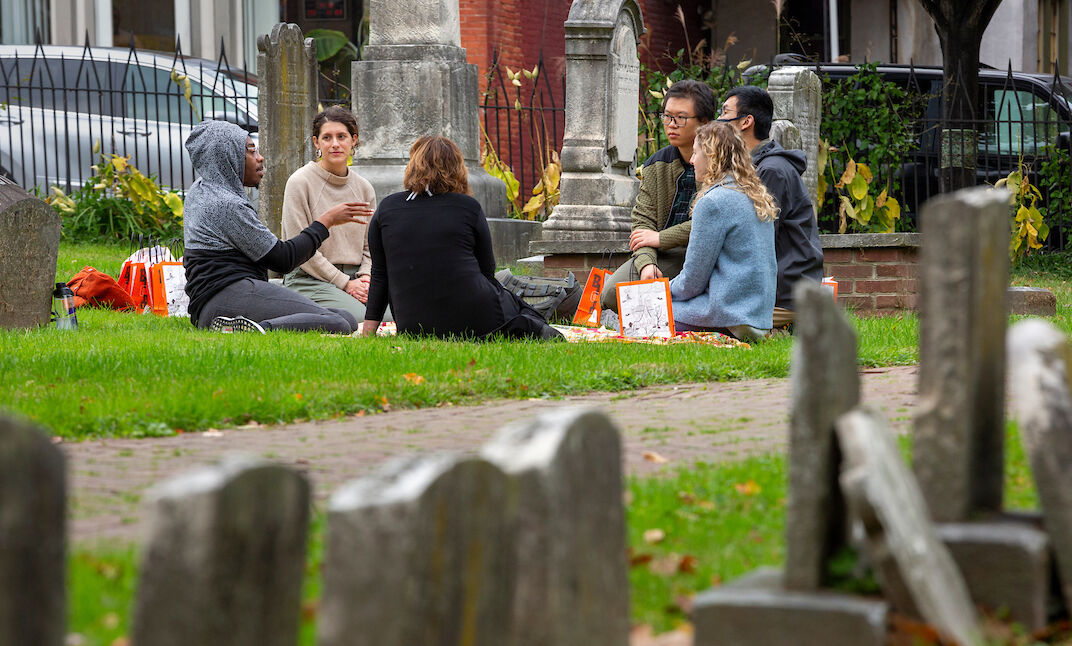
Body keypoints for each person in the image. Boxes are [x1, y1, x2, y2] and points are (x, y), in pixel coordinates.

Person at [359, 136, 562, 341]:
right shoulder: (467, 207)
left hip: (413, 324)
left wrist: (368, 332)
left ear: (413, 166)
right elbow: (487, 270)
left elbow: (380, 275)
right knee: (517, 305)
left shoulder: (387, 207)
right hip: (476, 317)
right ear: (458, 168)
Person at [182, 119, 365, 333]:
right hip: (227, 296)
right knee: (337, 323)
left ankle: (243, 327)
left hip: (218, 301)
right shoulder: (224, 204)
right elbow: (282, 259)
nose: (259, 158)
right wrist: (326, 222)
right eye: (250, 151)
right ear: (228, 157)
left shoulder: (202, 190)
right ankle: (252, 330)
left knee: (345, 318)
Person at [601, 79, 716, 312]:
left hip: (708, 253)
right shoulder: (657, 164)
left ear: (705, 122)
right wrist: (646, 264)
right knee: (612, 293)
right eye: (666, 116)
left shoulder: (720, 163)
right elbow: (642, 223)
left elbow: (711, 222)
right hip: (666, 255)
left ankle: (684, 311)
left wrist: (661, 238)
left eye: (680, 118)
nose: (671, 124)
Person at [717, 85, 824, 327]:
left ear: (745, 122)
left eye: (725, 114)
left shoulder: (771, 171)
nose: (719, 121)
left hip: (785, 295)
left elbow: (757, 243)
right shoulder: (759, 167)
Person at [281, 106, 391, 323]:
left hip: (357, 278)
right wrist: (345, 283)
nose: (335, 144)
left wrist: (366, 278)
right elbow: (300, 248)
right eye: (327, 137)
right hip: (310, 278)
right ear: (316, 143)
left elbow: (371, 245)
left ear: (354, 140)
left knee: (393, 315)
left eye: (342, 136)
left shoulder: (364, 188)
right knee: (361, 319)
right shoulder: (299, 183)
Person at [669, 121, 778, 341]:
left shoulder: (713, 203)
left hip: (729, 316)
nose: (691, 160)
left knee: (645, 314)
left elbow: (692, 282)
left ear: (711, 156)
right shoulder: (754, 195)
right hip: (759, 317)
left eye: (696, 152)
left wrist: (660, 290)